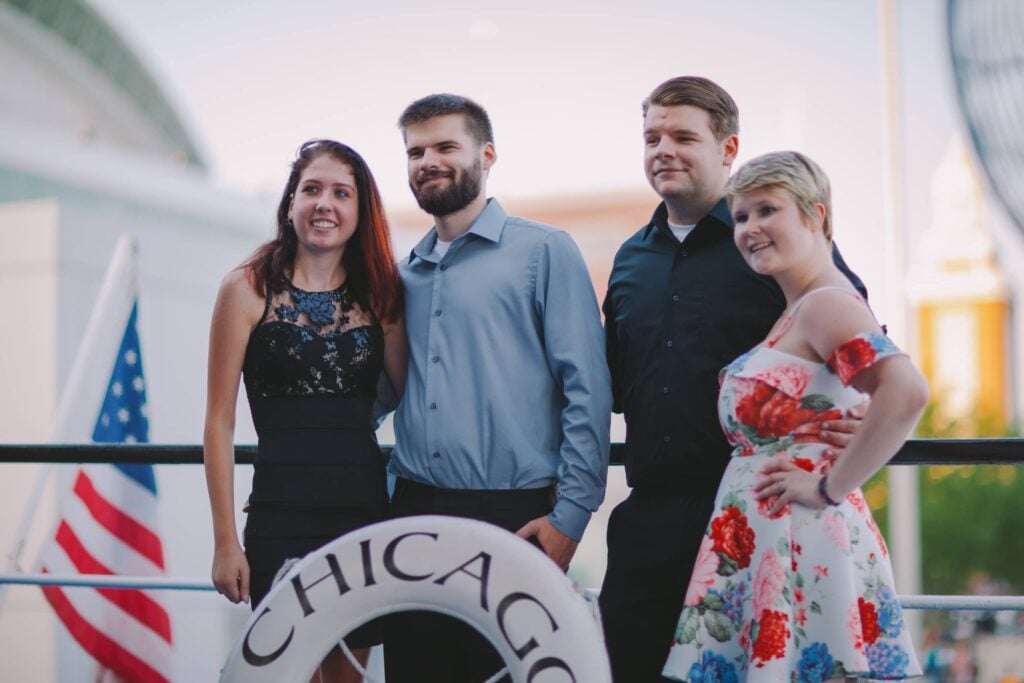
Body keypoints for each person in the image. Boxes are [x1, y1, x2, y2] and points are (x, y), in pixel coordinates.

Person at [599, 76, 868, 682]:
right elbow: (616, 383)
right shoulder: (629, 259)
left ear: (728, 148)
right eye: (651, 137)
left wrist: (853, 423)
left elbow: (860, 337)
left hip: (755, 510)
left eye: (682, 136)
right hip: (648, 514)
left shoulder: (768, 240)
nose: (662, 149)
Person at [661, 150, 927, 680]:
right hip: (774, 548)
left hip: (801, 544)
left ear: (816, 215)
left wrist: (827, 486)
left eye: (767, 211)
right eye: (740, 217)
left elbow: (905, 391)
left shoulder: (827, 304)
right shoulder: (801, 309)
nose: (750, 229)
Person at [383, 93, 612, 683]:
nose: (427, 161)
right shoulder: (402, 274)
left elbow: (586, 389)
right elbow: (381, 392)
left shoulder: (544, 252)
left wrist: (570, 518)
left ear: (486, 154)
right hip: (412, 509)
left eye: (444, 147)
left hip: (516, 514)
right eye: (415, 151)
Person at [202, 139, 406, 683]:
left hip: (360, 514)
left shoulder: (382, 296)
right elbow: (218, 422)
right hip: (279, 516)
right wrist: (226, 541)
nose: (325, 204)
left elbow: (416, 395)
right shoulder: (245, 290)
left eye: (342, 193)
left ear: (360, 213)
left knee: (348, 680)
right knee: (289, 672)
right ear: (290, 202)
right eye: (311, 189)